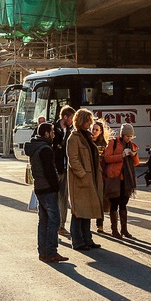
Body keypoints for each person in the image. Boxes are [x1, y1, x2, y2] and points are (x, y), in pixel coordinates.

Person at [25, 122, 68, 264]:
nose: (54, 135)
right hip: (48, 188)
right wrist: (56, 186)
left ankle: (43, 252)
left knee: (43, 221)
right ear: (46, 134)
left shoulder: (35, 147)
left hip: (39, 188)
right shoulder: (45, 149)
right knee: (54, 221)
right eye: (52, 132)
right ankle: (51, 252)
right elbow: (50, 171)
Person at [66, 108, 104, 252]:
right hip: (80, 180)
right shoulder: (74, 137)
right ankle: (77, 241)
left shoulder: (87, 136)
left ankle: (87, 239)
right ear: (81, 121)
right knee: (79, 212)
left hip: (91, 177)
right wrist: (82, 174)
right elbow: (73, 159)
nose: (90, 123)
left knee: (87, 210)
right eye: (88, 120)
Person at [103, 123, 141, 240]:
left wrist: (133, 155)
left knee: (124, 203)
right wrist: (121, 155)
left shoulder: (132, 145)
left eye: (131, 136)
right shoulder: (113, 143)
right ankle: (114, 230)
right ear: (122, 134)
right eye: (127, 136)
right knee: (114, 203)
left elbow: (136, 163)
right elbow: (107, 158)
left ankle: (124, 229)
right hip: (115, 178)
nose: (129, 138)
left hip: (127, 179)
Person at [53, 105, 75, 236]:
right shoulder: (53, 129)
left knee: (64, 198)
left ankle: (61, 225)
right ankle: (54, 225)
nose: (72, 120)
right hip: (56, 168)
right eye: (71, 118)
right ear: (65, 117)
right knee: (54, 198)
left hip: (66, 168)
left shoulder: (71, 130)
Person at [90, 120, 110, 233]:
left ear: (101, 131)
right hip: (89, 174)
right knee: (89, 200)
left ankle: (100, 225)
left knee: (100, 200)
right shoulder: (87, 141)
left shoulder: (103, 144)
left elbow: (105, 159)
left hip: (101, 175)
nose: (94, 132)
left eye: (96, 130)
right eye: (93, 129)